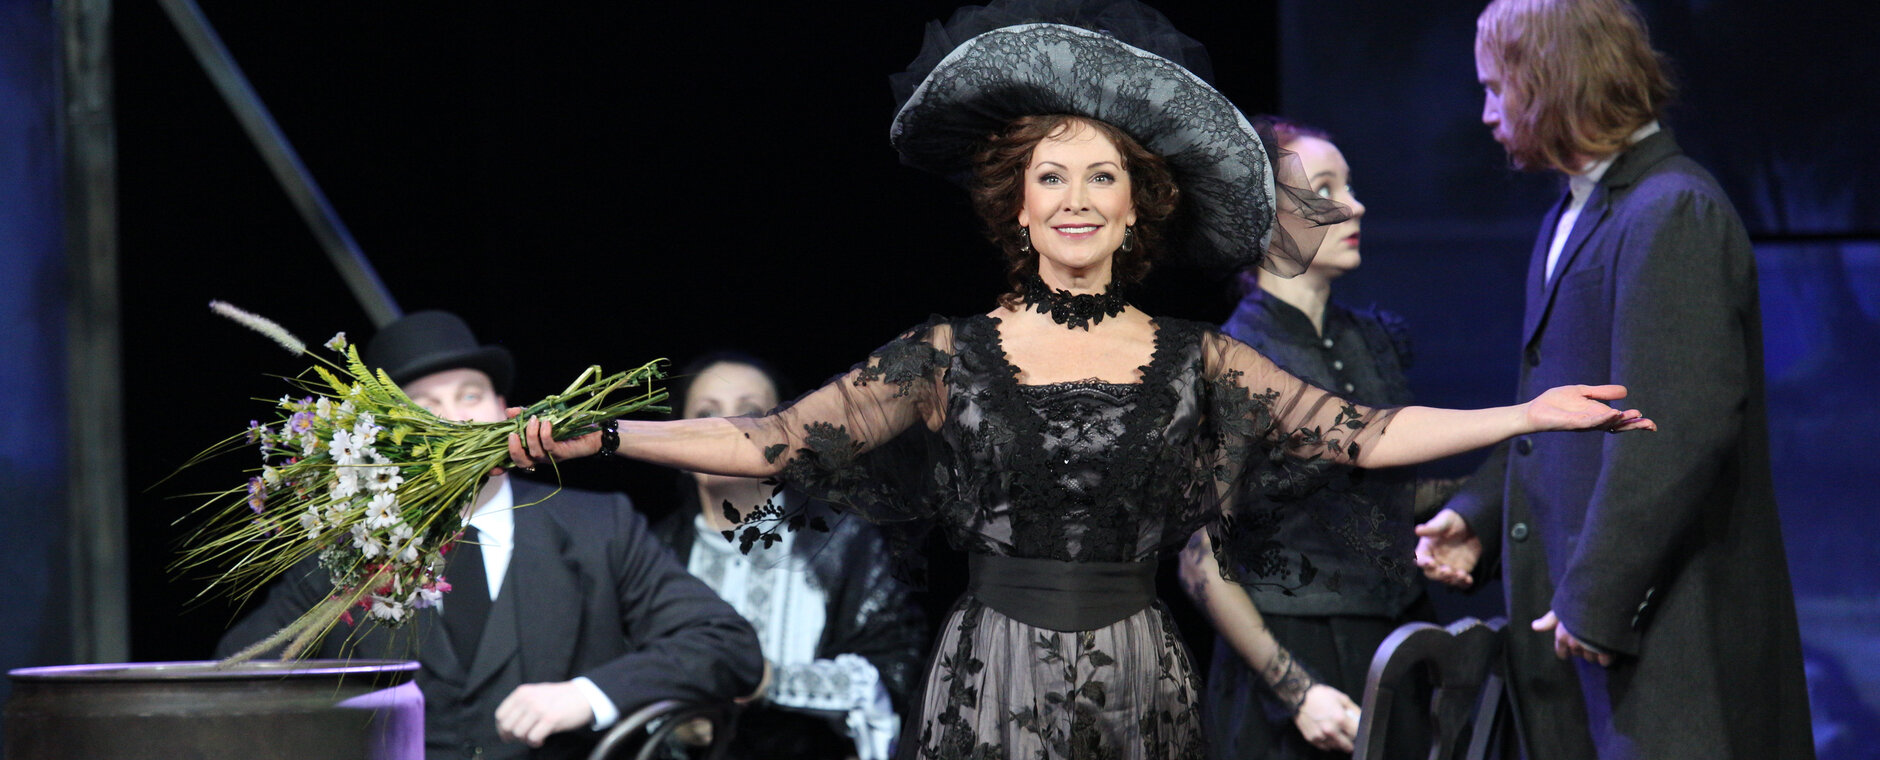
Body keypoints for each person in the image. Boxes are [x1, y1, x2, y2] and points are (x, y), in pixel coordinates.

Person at [508, 5, 1652, 757]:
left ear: (1132, 206)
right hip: (990, 678)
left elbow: (1360, 431)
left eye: (1100, 177)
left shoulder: (1195, 356)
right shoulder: (946, 352)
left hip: (1137, 675)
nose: (1074, 198)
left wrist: (1528, 413)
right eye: (1049, 176)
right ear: (1015, 204)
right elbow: (768, 443)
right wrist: (602, 437)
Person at [1413, 1, 1814, 758]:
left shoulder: (1672, 210)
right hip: (1586, 638)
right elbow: (1562, 410)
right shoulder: (1574, 214)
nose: (1488, 113)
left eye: (1497, 88)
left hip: (1663, 636)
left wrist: (1596, 599)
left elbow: (1674, 429)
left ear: (1551, 80)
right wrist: (1479, 513)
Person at [217, 310, 764, 760]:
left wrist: (590, 695)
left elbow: (726, 644)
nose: (454, 420)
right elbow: (239, 676)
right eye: (424, 406)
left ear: (504, 412)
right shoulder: (351, 550)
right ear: (383, 436)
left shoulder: (600, 528)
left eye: (470, 396)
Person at [1180, 118, 1441, 758]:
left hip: (1396, 648)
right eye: (1325, 189)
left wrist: (1493, 494)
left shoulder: (1374, 340)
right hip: (1293, 663)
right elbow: (1200, 559)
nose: (1354, 206)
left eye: (1349, 186)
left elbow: (1390, 496)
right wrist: (1297, 692)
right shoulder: (1236, 357)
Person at [651, 352, 929, 760]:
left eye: (750, 414)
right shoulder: (654, 552)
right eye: (705, 414)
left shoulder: (844, 542)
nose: (726, 427)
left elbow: (897, 669)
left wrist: (772, 681)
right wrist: (675, 725)